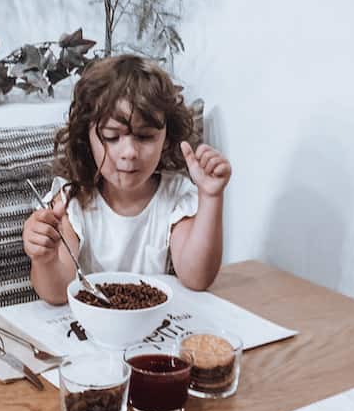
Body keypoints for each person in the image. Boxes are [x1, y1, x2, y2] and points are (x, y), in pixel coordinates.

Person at [23, 54, 232, 304]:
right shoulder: (71, 201)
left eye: (145, 137)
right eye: (112, 137)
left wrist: (210, 196)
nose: (130, 153)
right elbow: (57, 293)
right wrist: (44, 259)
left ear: (165, 139)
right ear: (86, 138)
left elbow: (197, 278)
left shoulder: (175, 197)